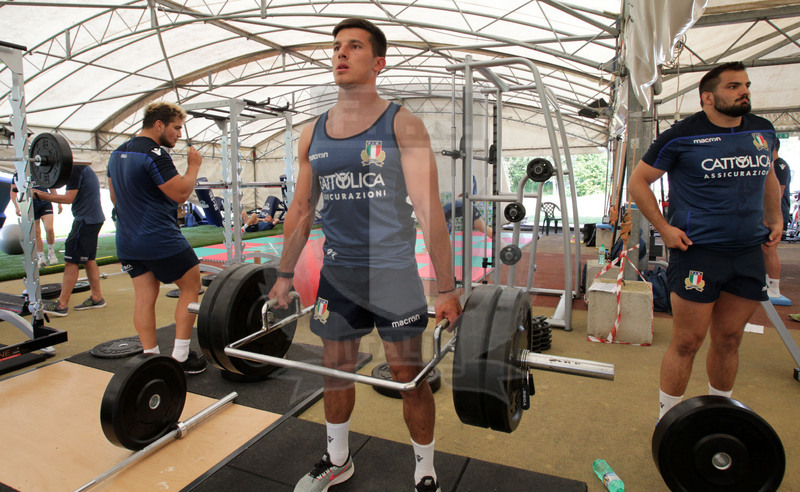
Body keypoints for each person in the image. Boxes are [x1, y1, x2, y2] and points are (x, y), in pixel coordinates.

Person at [268, 18, 461, 492]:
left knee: (407, 373)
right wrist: (284, 275)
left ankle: (425, 468)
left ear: (377, 63)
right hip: (339, 273)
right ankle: (337, 460)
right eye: (336, 46)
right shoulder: (312, 133)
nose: (340, 53)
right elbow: (301, 209)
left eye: (353, 46)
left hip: (393, 273)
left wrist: (448, 287)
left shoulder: (402, 124)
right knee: (335, 368)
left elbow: (429, 211)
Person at [628, 61, 783, 420]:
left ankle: (720, 413)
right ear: (707, 97)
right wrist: (664, 229)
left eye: (745, 85)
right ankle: (667, 420)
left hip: (747, 253)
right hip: (697, 254)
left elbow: (769, 175)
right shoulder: (680, 136)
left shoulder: (763, 131)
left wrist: (775, 217)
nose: (744, 91)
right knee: (687, 341)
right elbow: (638, 183)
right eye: (733, 86)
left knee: (729, 339)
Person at [107, 101, 207, 375]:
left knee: (144, 296)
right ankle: (181, 357)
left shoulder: (116, 153)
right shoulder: (155, 154)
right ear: (159, 125)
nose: (178, 134)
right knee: (191, 285)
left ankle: (149, 356)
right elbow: (181, 193)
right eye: (176, 128)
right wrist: (194, 166)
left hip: (127, 241)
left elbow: (115, 198)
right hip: (159, 239)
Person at [34, 165, 106, 316]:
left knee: (71, 261)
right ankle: (97, 297)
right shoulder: (81, 168)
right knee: (88, 259)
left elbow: (68, 198)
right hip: (94, 219)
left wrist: (40, 195)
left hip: (85, 221)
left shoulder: (75, 170)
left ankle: (61, 305)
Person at [762, 139, 792, 305]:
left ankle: (774, 288)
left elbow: (777, 192)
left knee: (769, 249)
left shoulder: (779, 165)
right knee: (764, 250)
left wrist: (769, 217)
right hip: (766, 215)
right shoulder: (771, 165)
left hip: (774, 216)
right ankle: (767, 283)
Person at [10, 173, 61, 266]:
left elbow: (51, 187)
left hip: (45, 202)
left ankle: (51, 252)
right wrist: (16, 206)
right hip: (30, 205)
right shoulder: (18, 173)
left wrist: (58, 202)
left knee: (49, 228)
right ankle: (41, 257)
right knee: (36, 232)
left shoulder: (41, 169)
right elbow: (13, 191)